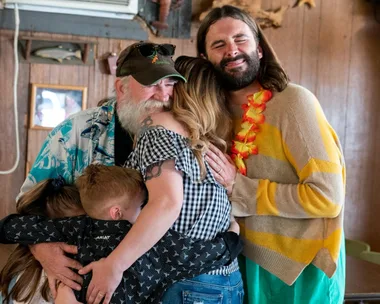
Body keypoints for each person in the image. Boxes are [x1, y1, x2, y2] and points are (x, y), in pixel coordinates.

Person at [13, 43, 243, 304]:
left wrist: (233, 191)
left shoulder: (177, 133)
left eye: (170, 84)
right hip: (80, 280)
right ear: (121, 87)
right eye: (152, 84)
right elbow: (28, 205)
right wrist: (43, 250)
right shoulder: (75, 131)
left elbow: (187, 217)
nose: (163, 95)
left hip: (145, 284)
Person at [197, 5, 346, 304]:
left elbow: (328, 197)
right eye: (219, 44)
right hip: (244, 263)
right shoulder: (211, 115)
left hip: (303, 270)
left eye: (241, 39)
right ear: (205, 58)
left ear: (260, 49)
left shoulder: (293, 102)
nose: (232, 50)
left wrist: (239, 187)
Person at [1, 164, 242, 304]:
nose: (146, 212)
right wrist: (232, 239)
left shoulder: (78, 228)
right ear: (116, 212)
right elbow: (196, 253)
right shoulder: (147, 242)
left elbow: (18, 227)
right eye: (141, 207)